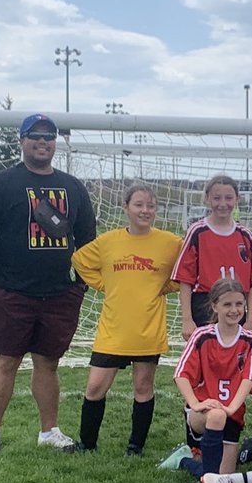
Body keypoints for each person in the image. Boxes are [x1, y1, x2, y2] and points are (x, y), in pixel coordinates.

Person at [0, 113, 97, 456]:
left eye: (49, 136)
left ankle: (49, 430)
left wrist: (80, 284)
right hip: (12, 292)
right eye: (35, 136)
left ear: (55, 143)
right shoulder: (1, 184)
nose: (42, 142)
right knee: (5, 362)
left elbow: (87, 239)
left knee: (48, 364)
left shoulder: (73, 187)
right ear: (21, 141)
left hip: (58, 294)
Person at [70, 184, 182, 455]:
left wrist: (163, 287)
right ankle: (87, 443)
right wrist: (106, 284)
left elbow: (186, 272)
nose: (145, 210)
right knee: (95, 387)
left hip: (147, 329)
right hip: (113, 329)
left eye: (151, 206)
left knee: (143, 387)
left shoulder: (171, 244)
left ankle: (136, 446)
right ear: (126, 208)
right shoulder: (109, 241)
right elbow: (79, 260)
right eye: (139, 205)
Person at [167, 279, 252, 475]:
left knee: (225, 478)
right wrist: (194, 403)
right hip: (202, 413)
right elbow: (181, 374)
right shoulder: (202, 335)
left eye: (238, 304)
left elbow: (249, 379)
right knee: (216, 417)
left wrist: (231, 408)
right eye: (227, 304)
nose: (234, 310)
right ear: (214, 306)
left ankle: (184, 460)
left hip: (232, 414)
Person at [174, 175, 252, 338]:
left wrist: (251, 318)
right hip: (204, 305)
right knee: (205, 358)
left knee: (234, 358)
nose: (223, 204)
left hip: (236, 305)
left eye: (228, 198)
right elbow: (185, 279)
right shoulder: (197, 232)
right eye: (217, 198)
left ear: (237, 199)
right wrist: (187, 319)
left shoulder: (245, 235)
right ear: (207, 199)